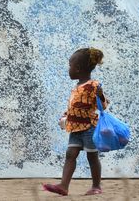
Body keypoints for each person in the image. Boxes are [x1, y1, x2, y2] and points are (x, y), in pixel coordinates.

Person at [43, 47, 108, 196]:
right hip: (75, 128)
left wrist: (101, 96)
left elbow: (102, 106)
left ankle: (96, 186)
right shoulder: (77, 86)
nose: (69, 69)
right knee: (70, 155)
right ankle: (63, 186)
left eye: (70, 66)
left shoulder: (93, 85)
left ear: (78, 69)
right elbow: (73, 106)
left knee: (92, 156)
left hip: (89, 128)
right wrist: (65, 116)